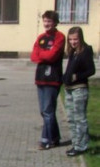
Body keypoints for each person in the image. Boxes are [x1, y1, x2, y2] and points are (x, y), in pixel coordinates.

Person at [30, 10, 65, 150]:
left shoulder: (59, 37)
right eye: (45, 21)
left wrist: (42, 55)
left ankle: (46, 140)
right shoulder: (41, 38)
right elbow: (34, 56)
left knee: (48, 110)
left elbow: (52, 55)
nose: (46, 24)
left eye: (49, 21)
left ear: (55, 22)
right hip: (40, 78)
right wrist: (43, 55)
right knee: (44, 111)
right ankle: (55, 137)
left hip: (53, 78)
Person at [63, 27, 95, 157]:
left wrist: (77, 76)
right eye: (70, 39)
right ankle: (76, 143)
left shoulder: (86, 51)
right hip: (69, 89)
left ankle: (81, 146)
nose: (73, 42)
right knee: (71, 118)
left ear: (80, 38)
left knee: (79, 118)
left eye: (75, 39)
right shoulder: (72, 51)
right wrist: (65, 78)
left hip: (79, 89)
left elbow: (91, 70)